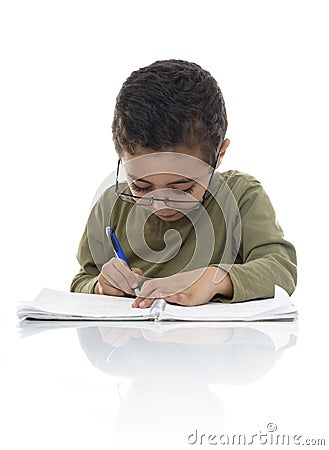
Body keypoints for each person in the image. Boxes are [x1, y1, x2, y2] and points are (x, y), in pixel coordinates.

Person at [70, 59, 297, 308]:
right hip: (133, 343)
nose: (160, 204)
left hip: (219, 344)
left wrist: (214, 279)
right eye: (141, 187)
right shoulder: (110, 207)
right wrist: (99, 286)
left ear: (219, 155)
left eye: (182, 188)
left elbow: (281, 269)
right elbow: (82, 280)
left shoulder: (241, 196)